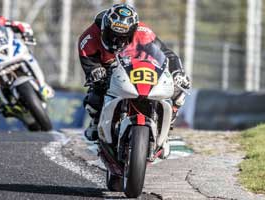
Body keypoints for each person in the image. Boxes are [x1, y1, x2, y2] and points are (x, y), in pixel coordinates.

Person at [79, 3, 191, 141]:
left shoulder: (143, 33)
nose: (116, 41)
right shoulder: (88, 38)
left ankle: (168, 123)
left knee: (179, 89)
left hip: (141, 68)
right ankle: (97, 122)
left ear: (133, 31)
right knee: (94, 97)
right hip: (109, 70)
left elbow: (166, 54)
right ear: (104, 27)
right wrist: (95, 70)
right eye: (112, 35)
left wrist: (177, 72)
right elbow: (88, 61)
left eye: (122, 37)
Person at [0, 3, 53, 108]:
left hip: (10, 53)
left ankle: (42, 84)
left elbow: (19, 25)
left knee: (28, 54)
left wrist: (26, 34)